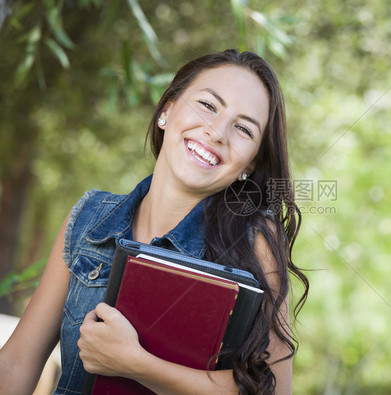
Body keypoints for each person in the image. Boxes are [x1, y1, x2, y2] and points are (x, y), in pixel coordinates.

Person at [0, 49, 309, 394]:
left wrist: (136, 364)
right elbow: (16, 362)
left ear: (249, 166)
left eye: (243, 129)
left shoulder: (256, 243)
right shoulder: (89, 218)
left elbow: (273, 390)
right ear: (167, 110)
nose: (217, 132)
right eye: (208, 105)